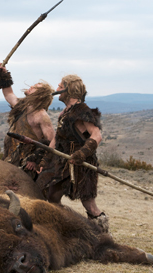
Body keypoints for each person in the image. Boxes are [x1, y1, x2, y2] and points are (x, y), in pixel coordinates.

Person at [40, 74, 108, 231]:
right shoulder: (64, 113)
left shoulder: (82, 111)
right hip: (63, 164)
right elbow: (56, 139)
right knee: (53, 196)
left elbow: (96, 135)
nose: (56, 89)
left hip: (82, 165)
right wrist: (45, 159)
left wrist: (81, 153)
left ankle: (102, 234)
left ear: (68, 89)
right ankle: (65, 227)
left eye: (59, 86)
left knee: (89, 204)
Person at [0, 64, 55, 181]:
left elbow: (51, 141)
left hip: (28, 164)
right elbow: (8, 94)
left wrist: (38, 160)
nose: (31, 86)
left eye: (35, 87)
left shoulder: (42, 116)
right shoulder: (21, 106)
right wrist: (3, 75)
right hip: (11, 157)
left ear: (39, 94)